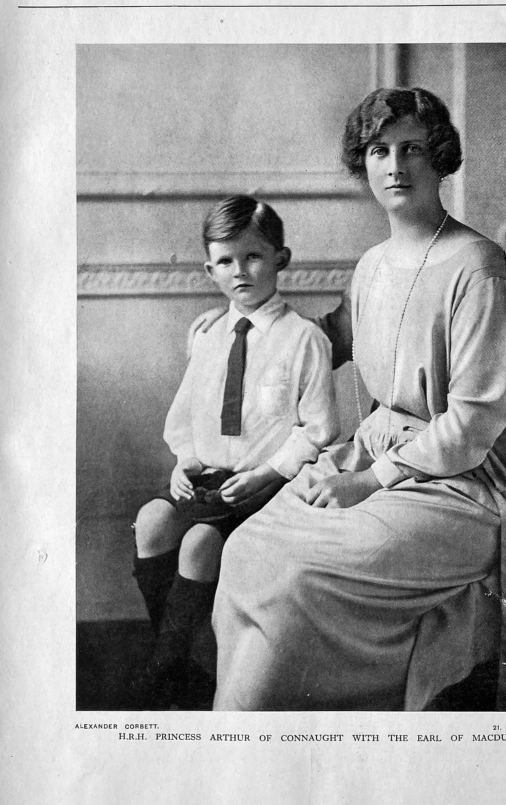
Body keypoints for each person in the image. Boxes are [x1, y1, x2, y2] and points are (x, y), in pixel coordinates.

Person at [211, 87, 506, 712]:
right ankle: (240, 734)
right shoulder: (371, 264)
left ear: (441, 159)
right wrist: (246, 333)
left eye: (412, 150)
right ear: (364, 163)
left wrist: (373, 481)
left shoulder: (478, 266)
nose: (395, 165)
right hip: (368, 459)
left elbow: (474, 421)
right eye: (379, 150)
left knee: (297, 577)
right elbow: (330, 338)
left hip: (463, 484)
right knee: (246, 550)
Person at [132, 196, 339, 708]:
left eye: (253, 257)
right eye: (225, 261)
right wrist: (183, 462)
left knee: (200, 544)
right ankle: (177, 657)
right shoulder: (209, 335)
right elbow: (187, 414)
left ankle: (166, 670)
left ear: (281, 260)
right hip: (207, 477)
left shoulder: (303, 339)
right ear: (209, 269)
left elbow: (318, 429)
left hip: (263, 486)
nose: (239, 271)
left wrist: (268, 473)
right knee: (151, 522)